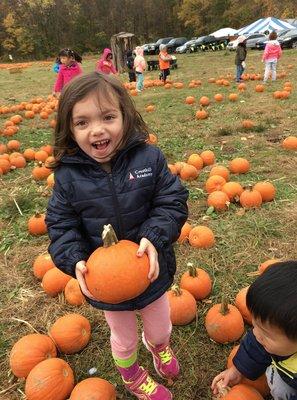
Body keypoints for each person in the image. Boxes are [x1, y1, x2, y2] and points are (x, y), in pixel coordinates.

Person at [46, 72, 189, 400]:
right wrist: (75, 259)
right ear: (69, 129)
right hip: (108, 283)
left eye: (108, 117)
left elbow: (172, 200)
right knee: (123, 338)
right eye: (82, 123)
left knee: (160, 328)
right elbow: (61, 226)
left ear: (125, 117)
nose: (96, 129)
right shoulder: (68, 178)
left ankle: (159, 348)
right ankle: (133, 376)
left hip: (151, 268)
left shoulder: (148, 159)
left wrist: (154, 236)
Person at [212, 260, 297, 400]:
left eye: (265, 333)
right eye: (255, 324)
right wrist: (238, 370)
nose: (256, 334)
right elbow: (255, 349)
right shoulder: (272, 338)